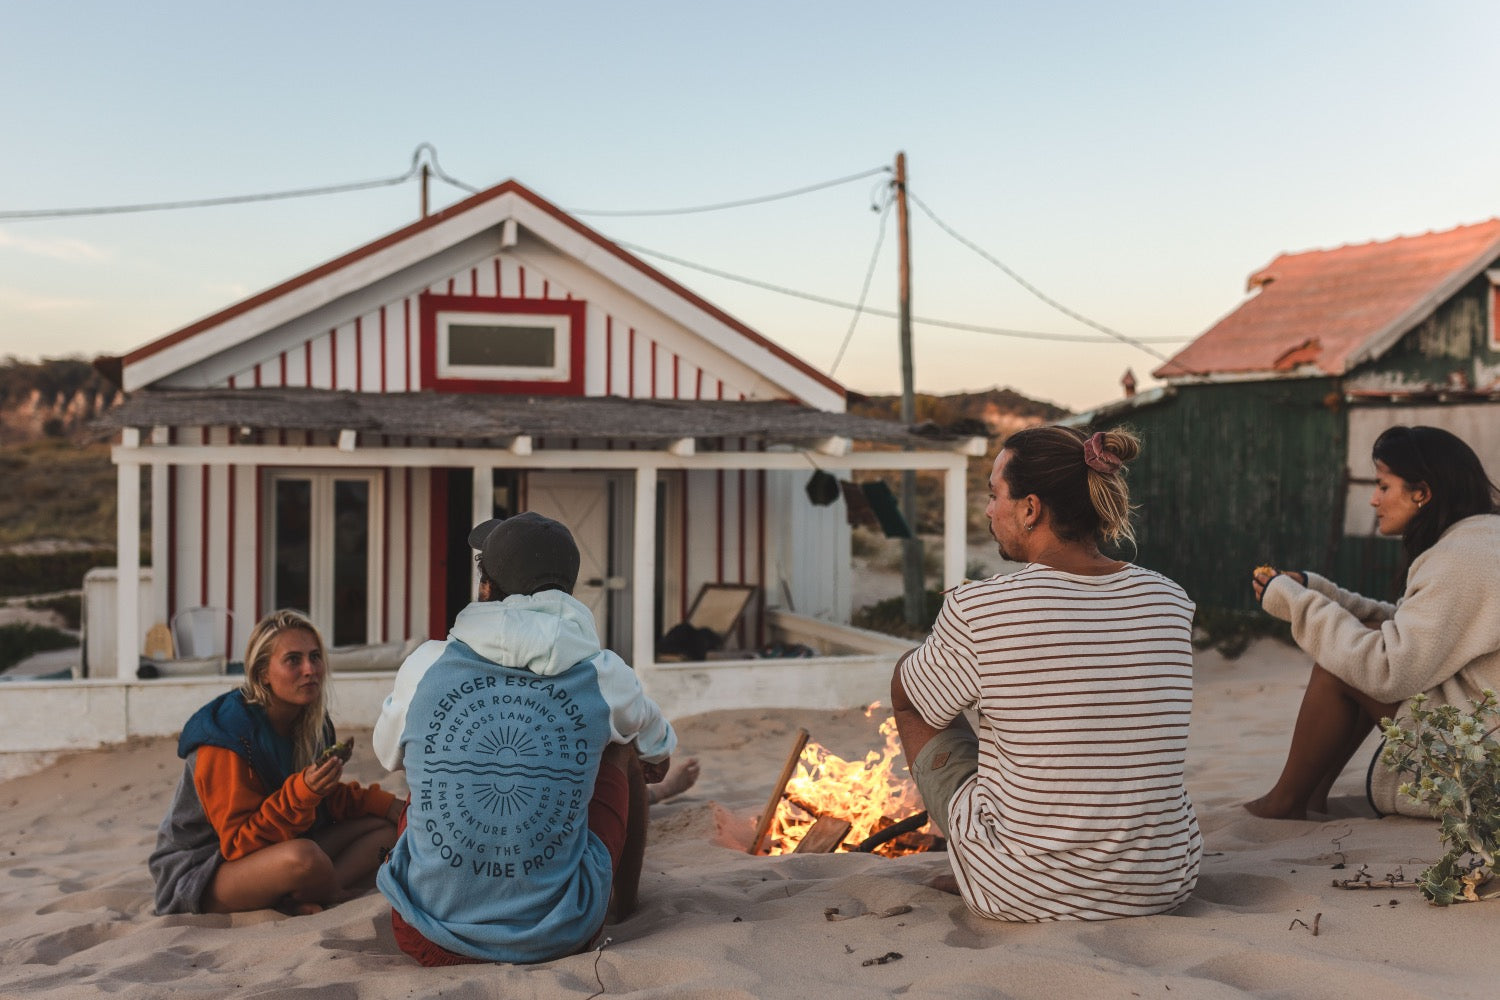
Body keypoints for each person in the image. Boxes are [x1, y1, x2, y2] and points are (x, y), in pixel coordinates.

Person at [891, 426, 1202, 921]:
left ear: (1031, 509)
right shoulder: (1170, 599)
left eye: (995, 495)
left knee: (915, 694)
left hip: (1025, 895)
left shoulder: (980, 607)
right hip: (1164, 881)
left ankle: (987, 860)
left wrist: (928, 655)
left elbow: (913, 698)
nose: (989, 510)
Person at [373, 511, 677, 966]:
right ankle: (624, 907)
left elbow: (385, 756)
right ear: (568, 592)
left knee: (423, 753)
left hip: (424, 935)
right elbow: (659, 756)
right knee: (623, 746)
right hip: (561, 936)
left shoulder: (426, 664)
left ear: (486, 589)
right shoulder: (603, 673)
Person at [1246, 425, 1500, 820]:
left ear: (1422, 493)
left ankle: (1285, 802)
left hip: (1485, 769)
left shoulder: (1459, 558)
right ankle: (1308, 799)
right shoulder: (1481, 541)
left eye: (1384, 485)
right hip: (1487, 737)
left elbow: (1387, 669)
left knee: (1342, 666)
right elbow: (1417, 627)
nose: (1373, 499)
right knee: (1354, 647)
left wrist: (1296, 602)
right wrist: (1320, 591)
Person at [149, 609, 401, 916]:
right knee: (304, 858)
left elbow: (324, 802)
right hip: (203, 869)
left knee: (387, 829)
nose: (310, 669)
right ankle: (332, 893)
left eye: (315, 657)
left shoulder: (312, 725)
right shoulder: (228, 736)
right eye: (293, 660)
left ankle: (305, 895)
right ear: (262, 673)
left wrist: (390, 806)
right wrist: (302, 792)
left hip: (278, 846)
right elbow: (239, 842)